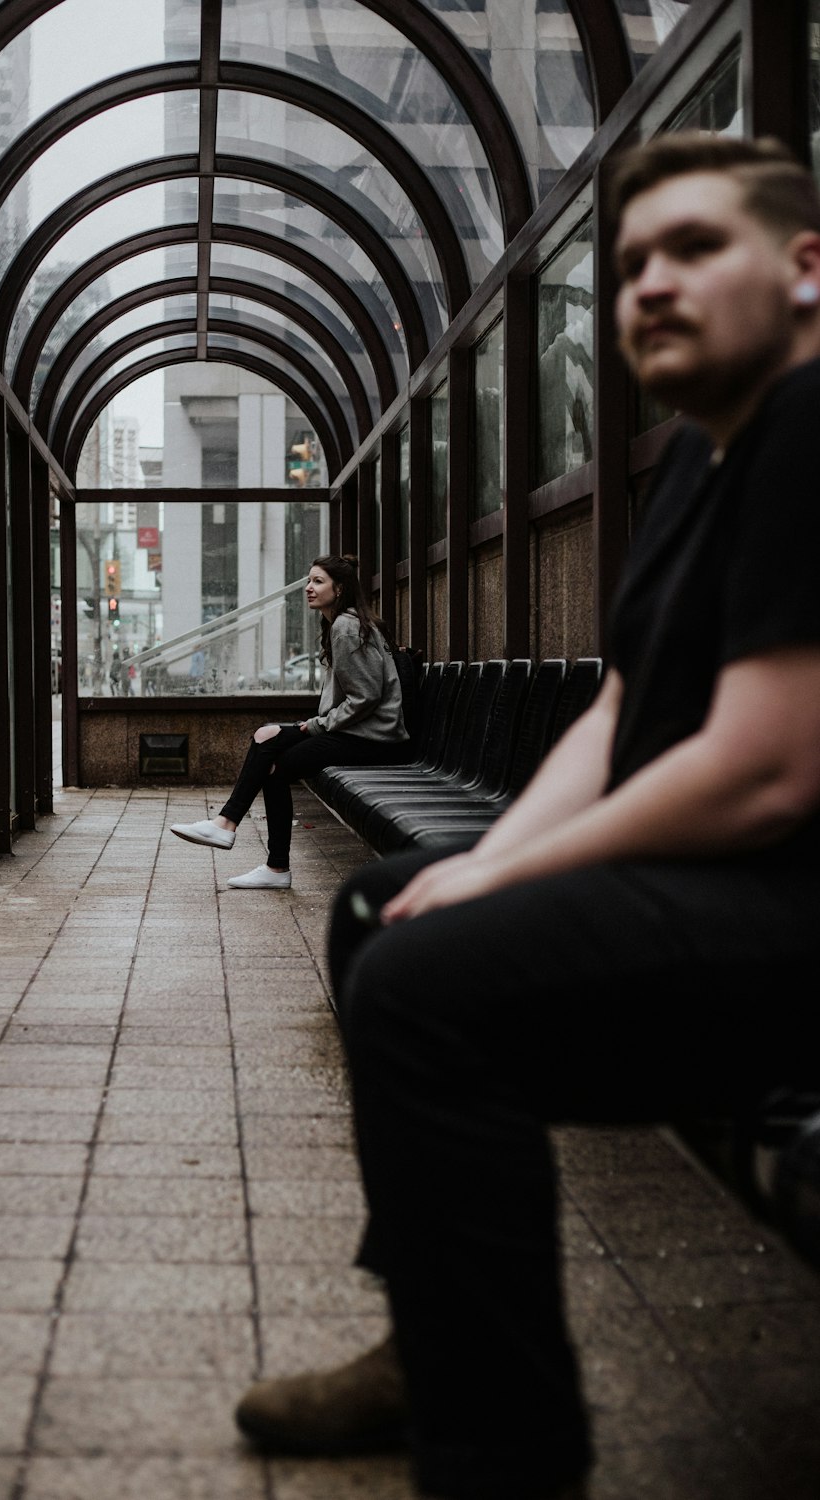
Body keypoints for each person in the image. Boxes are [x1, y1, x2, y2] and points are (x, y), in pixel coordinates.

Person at [233, 133, 820, 1499]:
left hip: (790, 902)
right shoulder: (711, 463)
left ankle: (500, 1456)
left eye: (694, 250)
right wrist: (491, 860)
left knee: (430, 982)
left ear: (803, 269)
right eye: (627, 268)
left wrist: (512, 875)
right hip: (749, 899)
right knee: (387, 909)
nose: (649, 288)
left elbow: (767, 769)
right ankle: (433, 1338)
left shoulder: (808, 431)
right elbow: (621, 713)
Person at [171, 554, 409, 889]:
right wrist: (310, 725)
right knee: (266, 739)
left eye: (318, 581)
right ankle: (246, 843)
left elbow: (365, 697)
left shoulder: (346, 627)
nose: (309, 588)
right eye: (309, 581)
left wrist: (311, 726)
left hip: (375, 740)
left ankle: (246, 842)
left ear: (339, 588)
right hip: (361, 733)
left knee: (271, 751)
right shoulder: (340, 624)